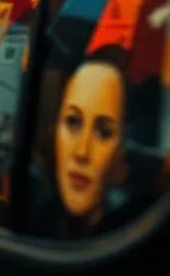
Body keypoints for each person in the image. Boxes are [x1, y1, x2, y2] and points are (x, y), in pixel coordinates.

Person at [44, 48, 130, 234]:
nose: (81, 152)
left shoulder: (136, 232)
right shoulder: (31, 217)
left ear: (123, 155)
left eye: (104, 133)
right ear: (53, 131)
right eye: (73, 122)